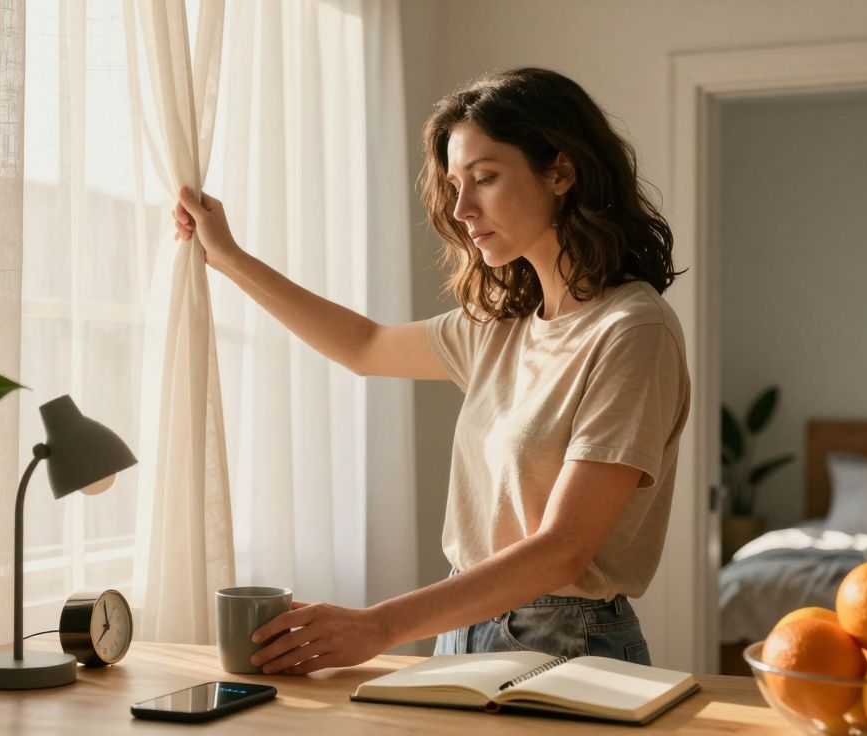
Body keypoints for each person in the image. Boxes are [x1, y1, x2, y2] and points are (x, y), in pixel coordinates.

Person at [173, 67, 689, 675]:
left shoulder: (632, 330)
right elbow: (365, 347)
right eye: (453, 184)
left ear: (560, 171)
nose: (462, 208)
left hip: (567, 645)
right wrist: (228, 258)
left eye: (485, 178)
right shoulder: (505, 327)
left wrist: (379, 627)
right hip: (462, 633)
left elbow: (563, 552)